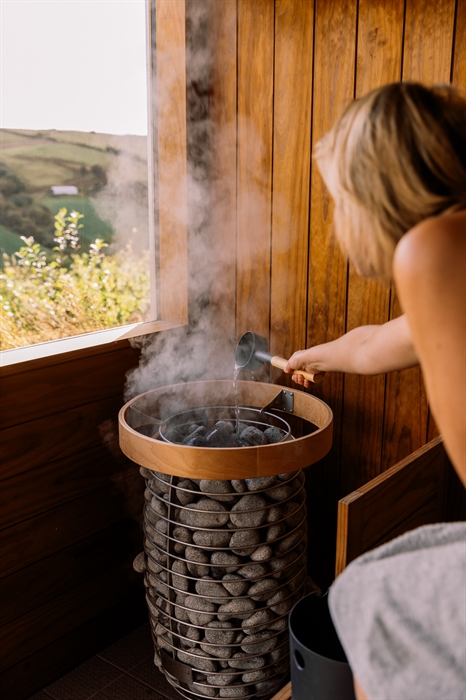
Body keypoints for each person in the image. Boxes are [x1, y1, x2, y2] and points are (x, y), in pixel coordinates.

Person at [284, 82, 466, 700]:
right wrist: (315, 356)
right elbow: (370, 347)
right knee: (378, 586)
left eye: (337, 200)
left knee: (371, 599)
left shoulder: (434, 249)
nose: (336, 222)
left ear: (374, 190)